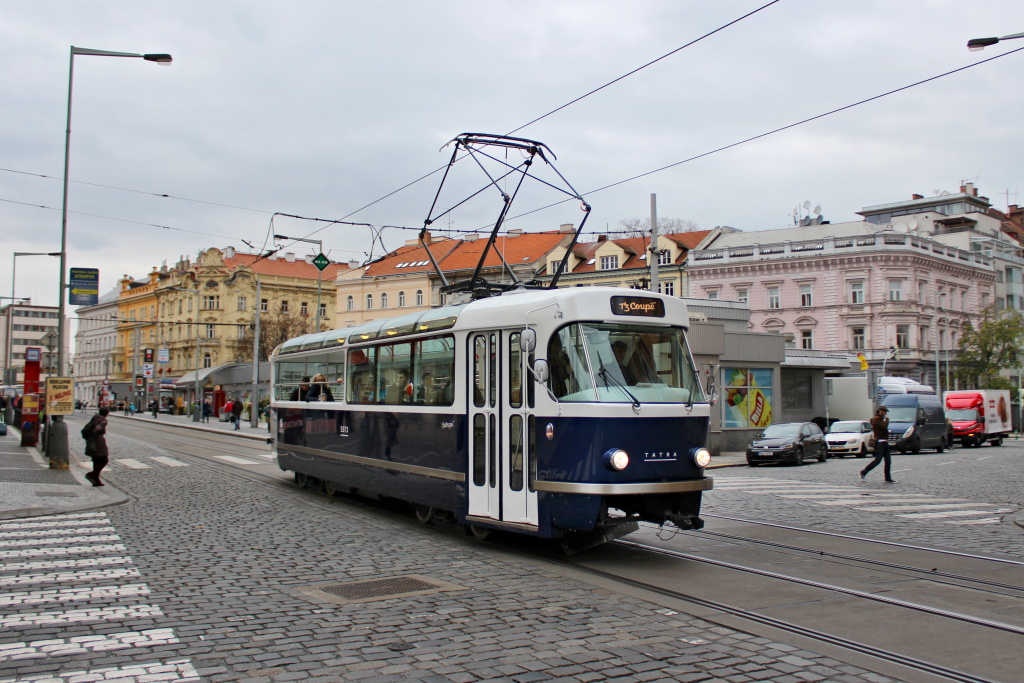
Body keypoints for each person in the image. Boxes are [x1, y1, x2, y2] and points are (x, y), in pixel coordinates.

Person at [861, 406, 895, 483]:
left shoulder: (880, 419)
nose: (885, 413)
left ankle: (888, 478)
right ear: (880, 411)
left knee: (888, 461)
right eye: (884, 412)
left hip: (885, 442)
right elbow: (883, 426)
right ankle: (864, 471)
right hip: (880, 443)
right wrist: (887, 419)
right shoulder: (876, 419)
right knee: (878, 460)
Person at [81, 407, 110, 487]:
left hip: (90, 442)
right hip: (98, 442)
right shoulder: (103, 420)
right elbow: (96, 430)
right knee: (104, 460)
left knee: (96, 461)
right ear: (107, 413)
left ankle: (96, 480)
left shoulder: (95, 418)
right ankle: (92, 474)